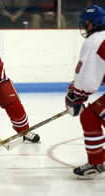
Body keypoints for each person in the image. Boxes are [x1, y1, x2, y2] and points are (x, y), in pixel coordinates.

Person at [65, 5, 105, 178]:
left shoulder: (96, 40)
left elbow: (88, 78)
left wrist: (76, 95)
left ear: (93, 23)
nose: (84, 26)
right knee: (92, 115)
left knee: (90, 116)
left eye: (86, 23)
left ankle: (96, 162)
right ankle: (96, 161)